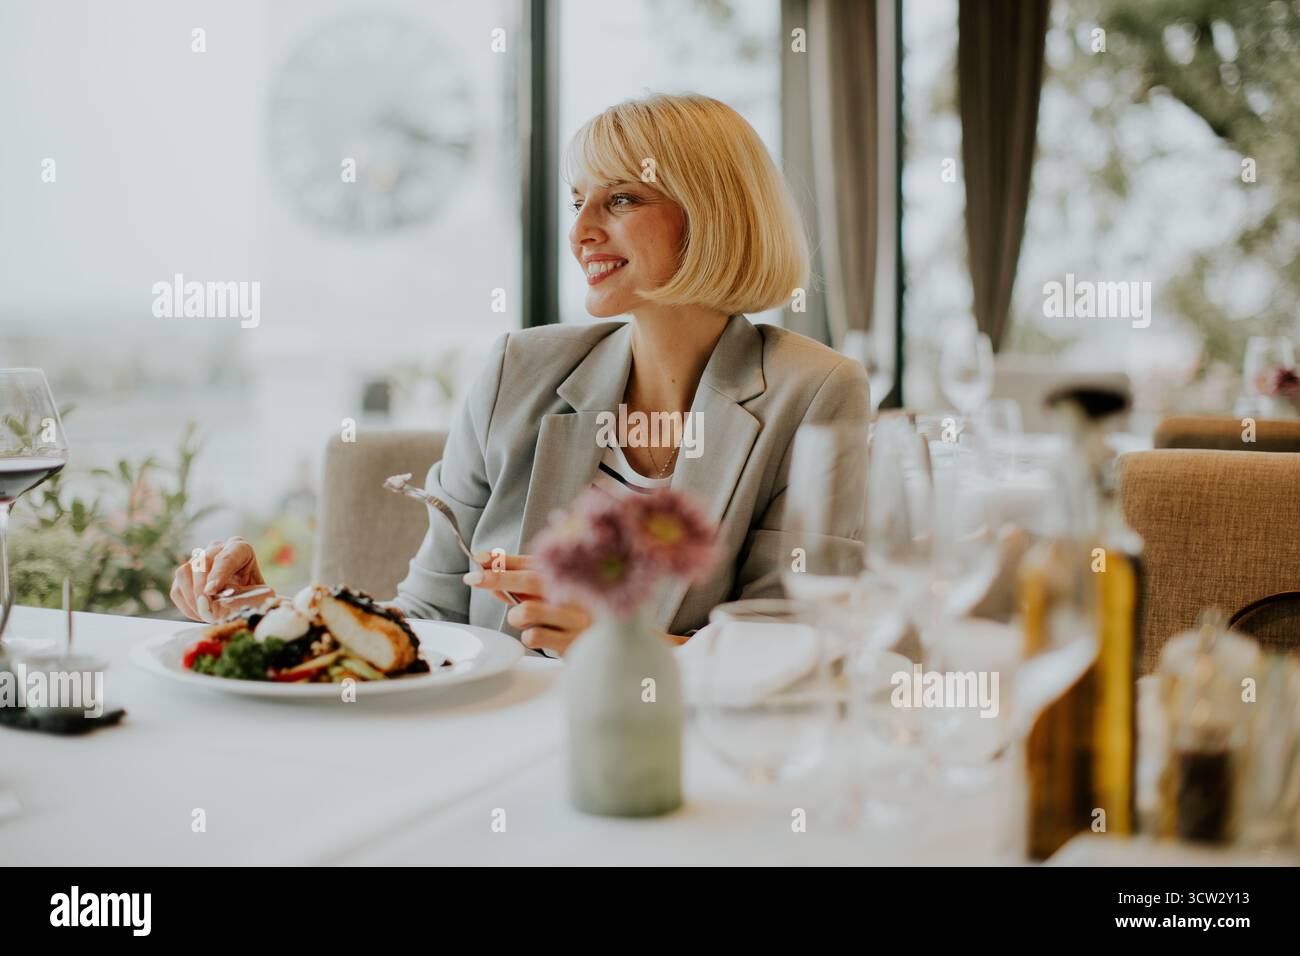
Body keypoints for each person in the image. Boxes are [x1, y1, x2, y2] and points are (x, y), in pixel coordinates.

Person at [171, 92, 869, 657]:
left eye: (622, 199)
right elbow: (428, 618)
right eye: (577, 202)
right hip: (485, 739)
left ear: (711, 216)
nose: (582, 230)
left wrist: (626, 648)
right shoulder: (518, 370)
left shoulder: (815, 392)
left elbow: (798, 641)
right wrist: (268, 617)